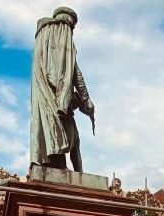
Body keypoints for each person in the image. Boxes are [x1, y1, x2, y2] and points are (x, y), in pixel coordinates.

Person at [29, 6, 94, 172]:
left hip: (44, 94)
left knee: (51, 133)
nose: (70, 31)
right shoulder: (62, 33)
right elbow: (73, 71)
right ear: (66, 22)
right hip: (56, 97)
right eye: (71, 27)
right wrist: (85, 99)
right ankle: (63, 168)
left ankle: (55, 164)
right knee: (65, 135)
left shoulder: (41, 37)